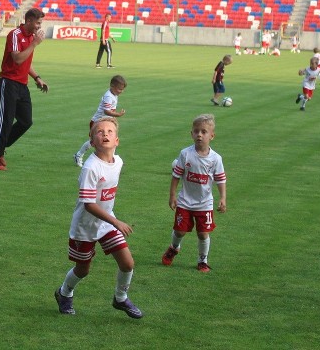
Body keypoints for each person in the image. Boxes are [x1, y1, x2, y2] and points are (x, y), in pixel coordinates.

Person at [53, 117, 143, 319]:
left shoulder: (118, 162)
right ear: (91, 141)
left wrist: (111, 221)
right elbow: (89, 204)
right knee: (83, 269)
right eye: (100, 131)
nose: (105, 134)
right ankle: (64, 293)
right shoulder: (90, 168)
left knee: (127, 263)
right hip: (84, 227)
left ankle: (120, 298)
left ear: (117, 140)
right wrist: (116, 222)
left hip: (106, 223)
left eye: (110, 131)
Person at [161, 113, 227, 273]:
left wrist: (223, 198)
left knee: (203, 234)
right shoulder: (185, 154)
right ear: (191, 133)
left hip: (205, 203)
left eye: (204, 132)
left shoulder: (216, 159)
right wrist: (172, 195)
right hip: (185, 201)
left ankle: (202, 261)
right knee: (180, 231)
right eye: (196, 131)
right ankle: (174, 248)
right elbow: (176, 175)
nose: (199, 135)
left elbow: (220, 179)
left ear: (212, 135)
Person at [0, 8, 49, 171]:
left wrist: (37, 77)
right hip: (8, 82)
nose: (39, 26)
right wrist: (35, 44)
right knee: (5, 121)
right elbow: (18, 59)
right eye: (37, 23)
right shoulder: (15, 35)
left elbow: (26, 62)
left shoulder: (30, 37)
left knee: (26, 121)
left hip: (22, 84)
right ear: (28, 21)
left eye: (40, 23)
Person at [73, 75, 127, 167]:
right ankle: (78, 155)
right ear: (112, 86)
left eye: (122, 89)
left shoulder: (114, 94)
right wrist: (117, 115)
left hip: (106, 122)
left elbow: (111, 110)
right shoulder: (109, 96)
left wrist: (113, 121)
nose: (121, 91)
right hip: (97, 123)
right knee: (93, 142)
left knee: (112, 140)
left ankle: (110, 160)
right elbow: (107, 111)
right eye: (119, 89)